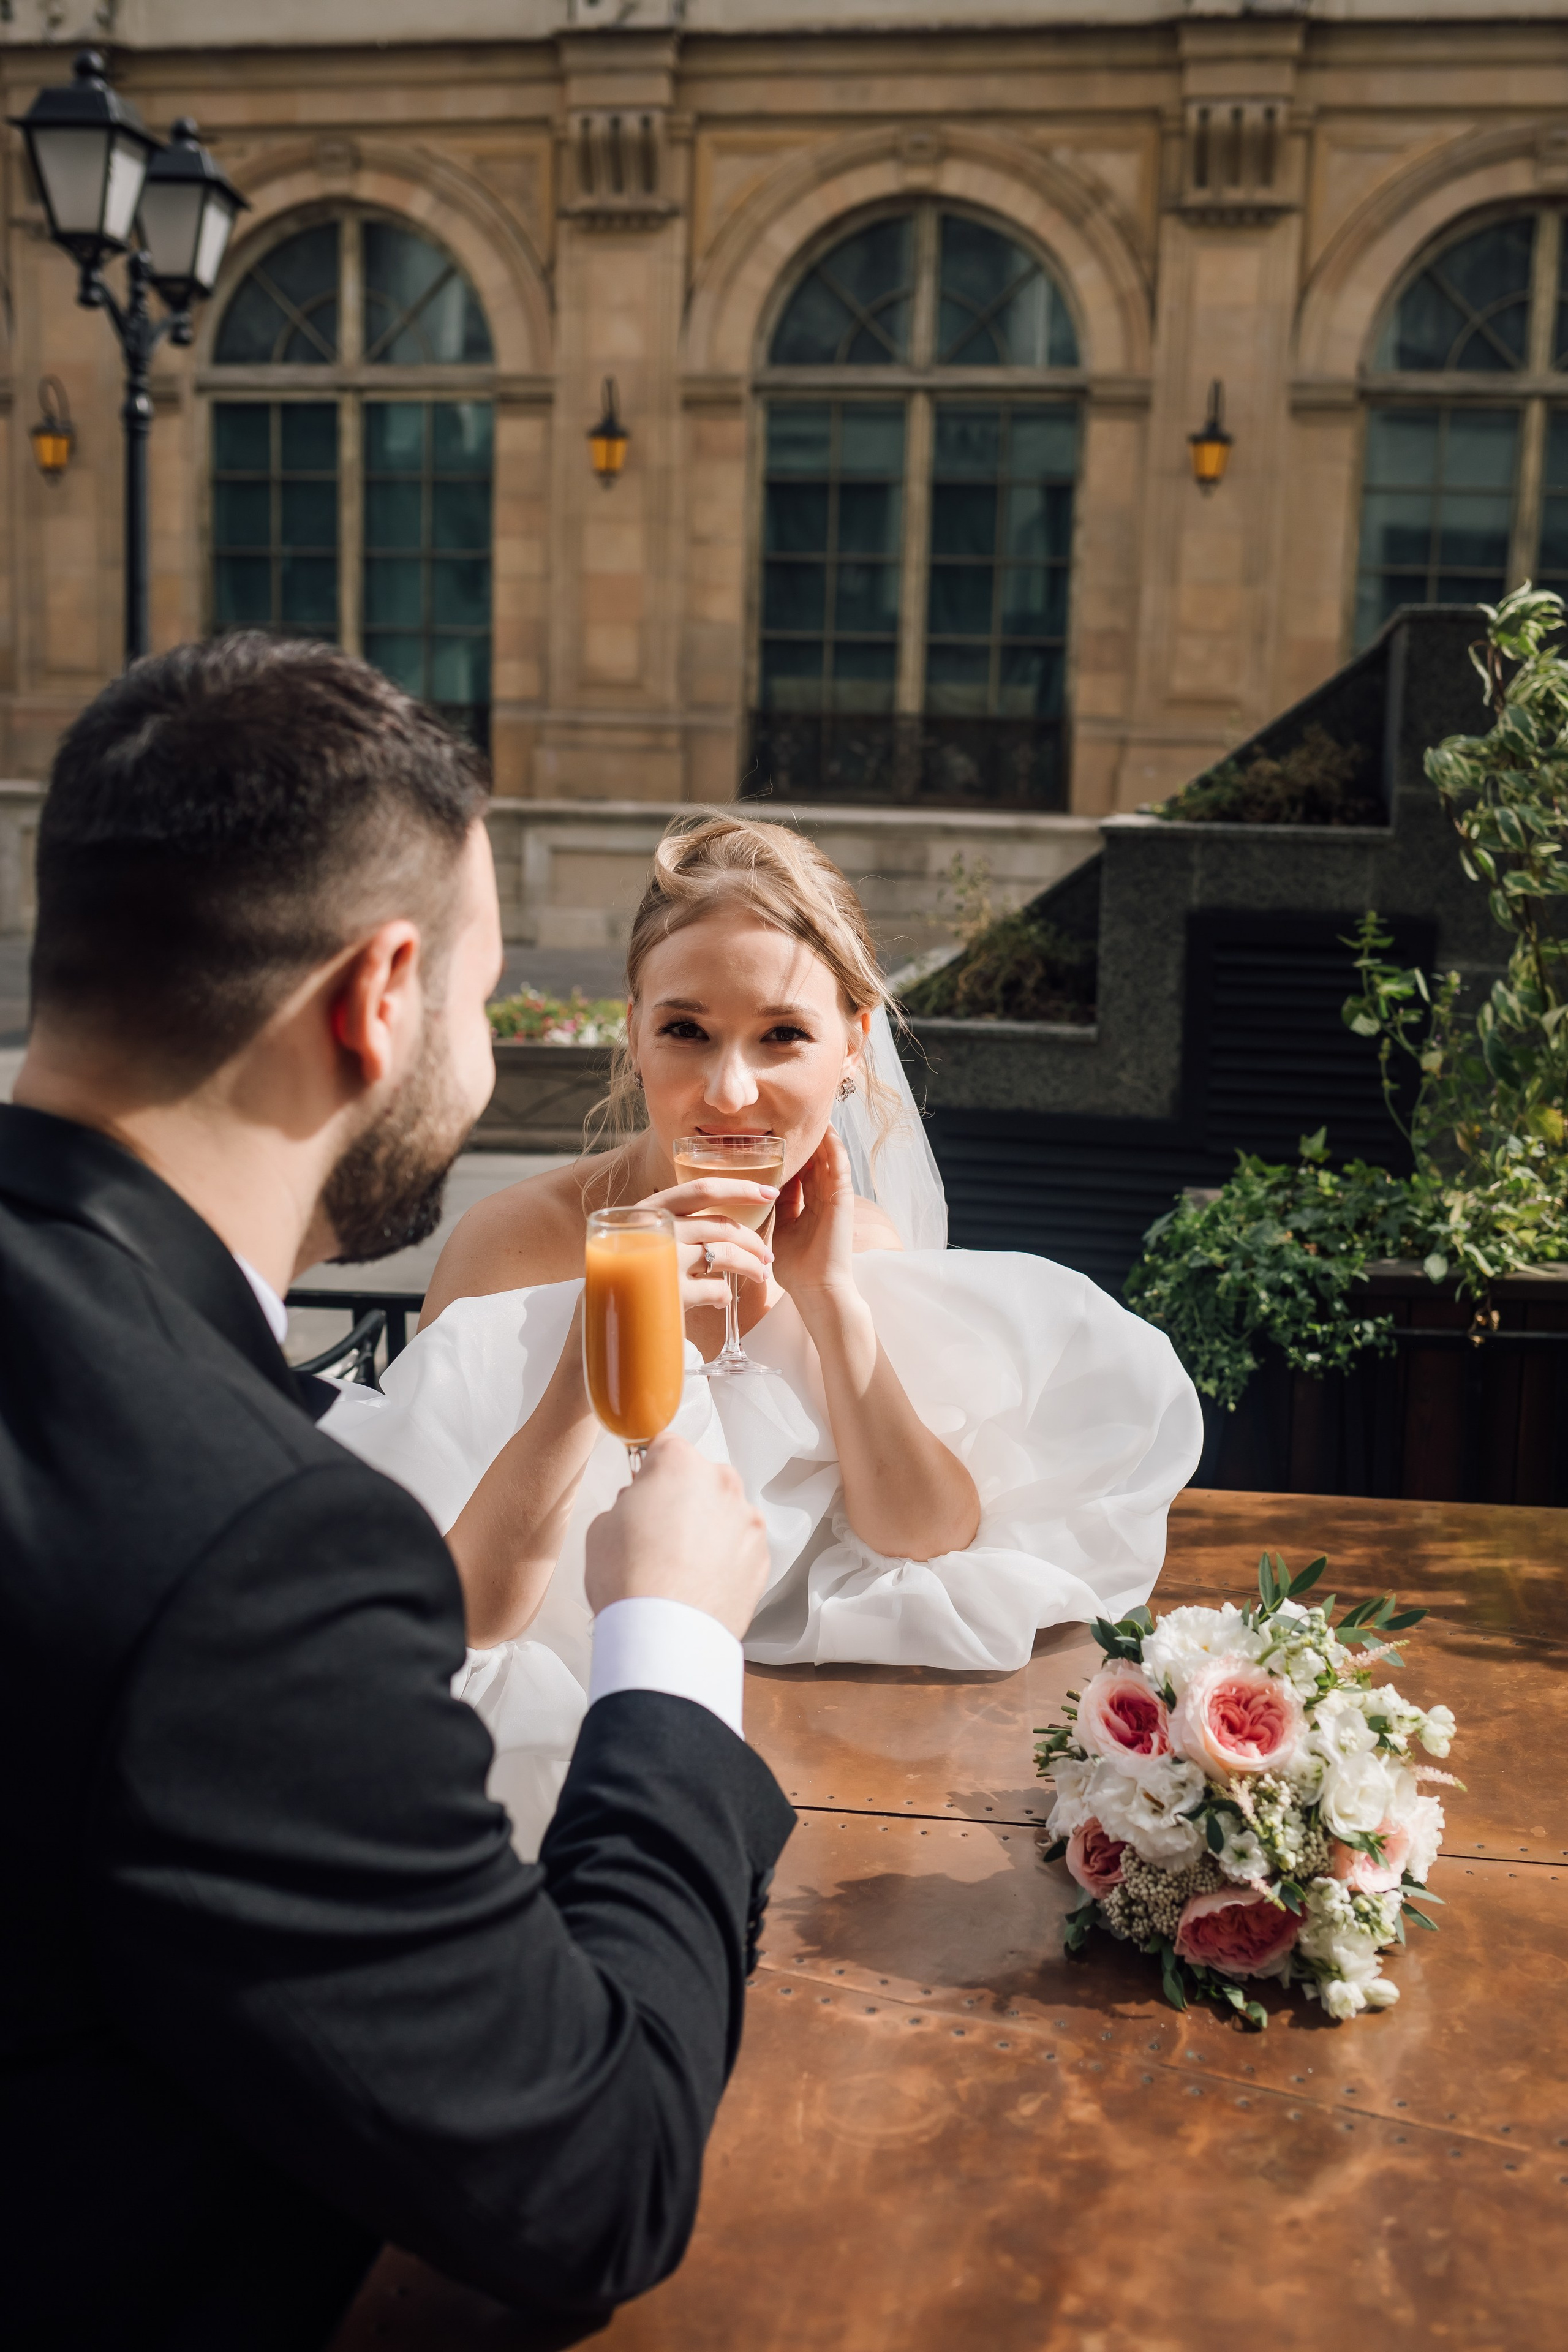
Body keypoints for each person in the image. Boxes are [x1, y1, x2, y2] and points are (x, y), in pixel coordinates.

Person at [0, 638, 795, 2351]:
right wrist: (669, 1650)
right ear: (382, 999)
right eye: (490, 1005)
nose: (492, 1062)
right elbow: (597, 2181)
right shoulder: (256, 1545)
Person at [328, 814, 1204, 1856]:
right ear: (635, 1032)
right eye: (687, 1032)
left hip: (824, 1770)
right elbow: (461, 1620)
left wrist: (831, 1303)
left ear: (852, 1044)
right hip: (559, 1781)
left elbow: (923, 1537)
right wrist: (593, 1348)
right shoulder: (516, 1246)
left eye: (782, 1035)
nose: (730, 1091)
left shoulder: (859, 1240)